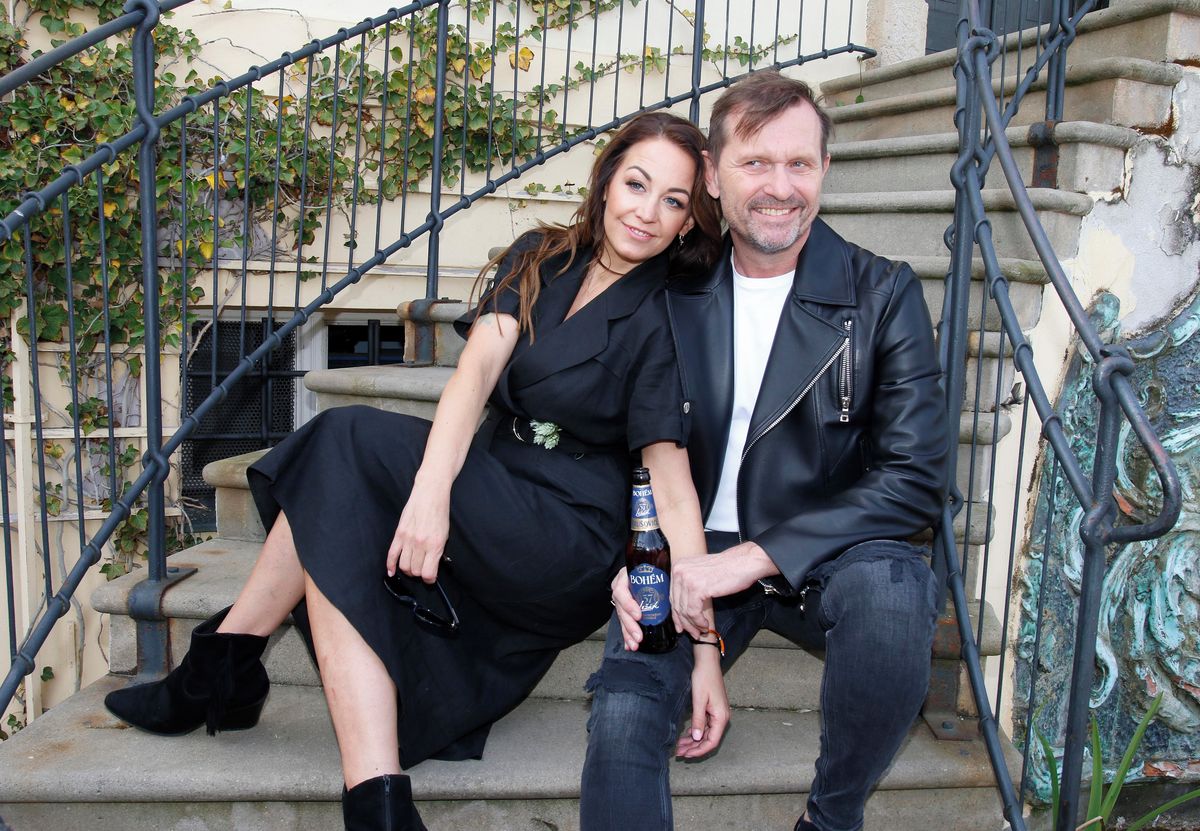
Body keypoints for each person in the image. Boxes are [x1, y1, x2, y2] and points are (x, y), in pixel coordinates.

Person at [102, 110, 722, 831]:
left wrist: (705, 651)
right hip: (493, 484)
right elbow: (474, 374)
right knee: (341, 485)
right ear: (607, 180)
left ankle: (222, 668)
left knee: (343, 440)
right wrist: (430, 495)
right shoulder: (544, 256)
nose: (647, 212)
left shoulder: (670, 313)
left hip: (568, 534)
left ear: (688, 221)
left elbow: (672, 486)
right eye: (637, 184)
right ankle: (373, 795)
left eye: (673, 200)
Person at [580, 71, 950, 831]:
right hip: (689, 547)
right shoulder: (667, 289)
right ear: (713, 176)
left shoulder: (881, 294)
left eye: (799, 163)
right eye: (755, 162)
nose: (780, 187)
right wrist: (634, 554)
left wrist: (757, 556)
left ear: (824, 171)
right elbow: (622, 444)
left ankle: (830, 818)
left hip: (827, 553)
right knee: (623, 713)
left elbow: (915, 478)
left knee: (895, 593)